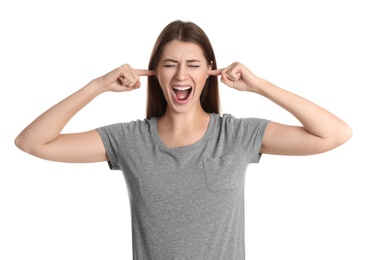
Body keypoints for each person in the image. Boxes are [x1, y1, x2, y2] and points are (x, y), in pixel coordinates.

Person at [14, 20, 352, 259]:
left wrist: (259, 84)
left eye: (192, 65)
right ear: (154, 72)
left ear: (210, 71)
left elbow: (334, 134)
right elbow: (33, 142)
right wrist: (98, 86)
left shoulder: (236, 135)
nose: (180, 75)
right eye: (170, 65)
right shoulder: (130, 139)